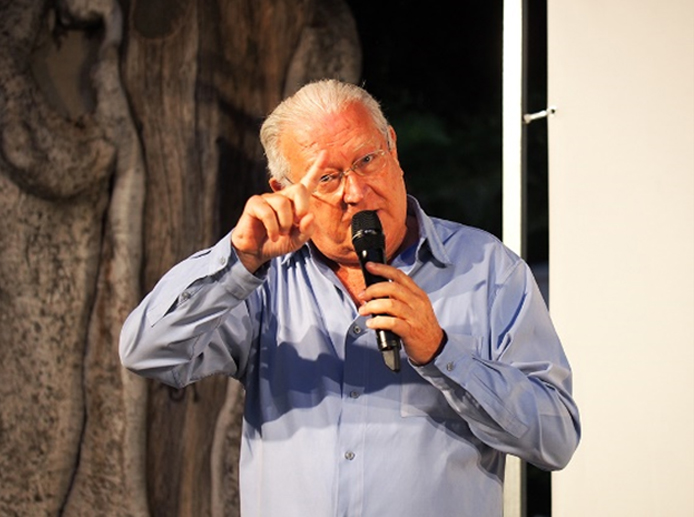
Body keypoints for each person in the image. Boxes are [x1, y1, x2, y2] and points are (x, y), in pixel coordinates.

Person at [119, 79, 580, 517]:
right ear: (285, 191)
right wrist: (237, 260)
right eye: (328, 178)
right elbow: (147, 352)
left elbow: (555, 437)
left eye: (367, 160)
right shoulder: (263, 278)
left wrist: (442, 353)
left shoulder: (487, 269)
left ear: (393, 147)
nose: (356, 192)